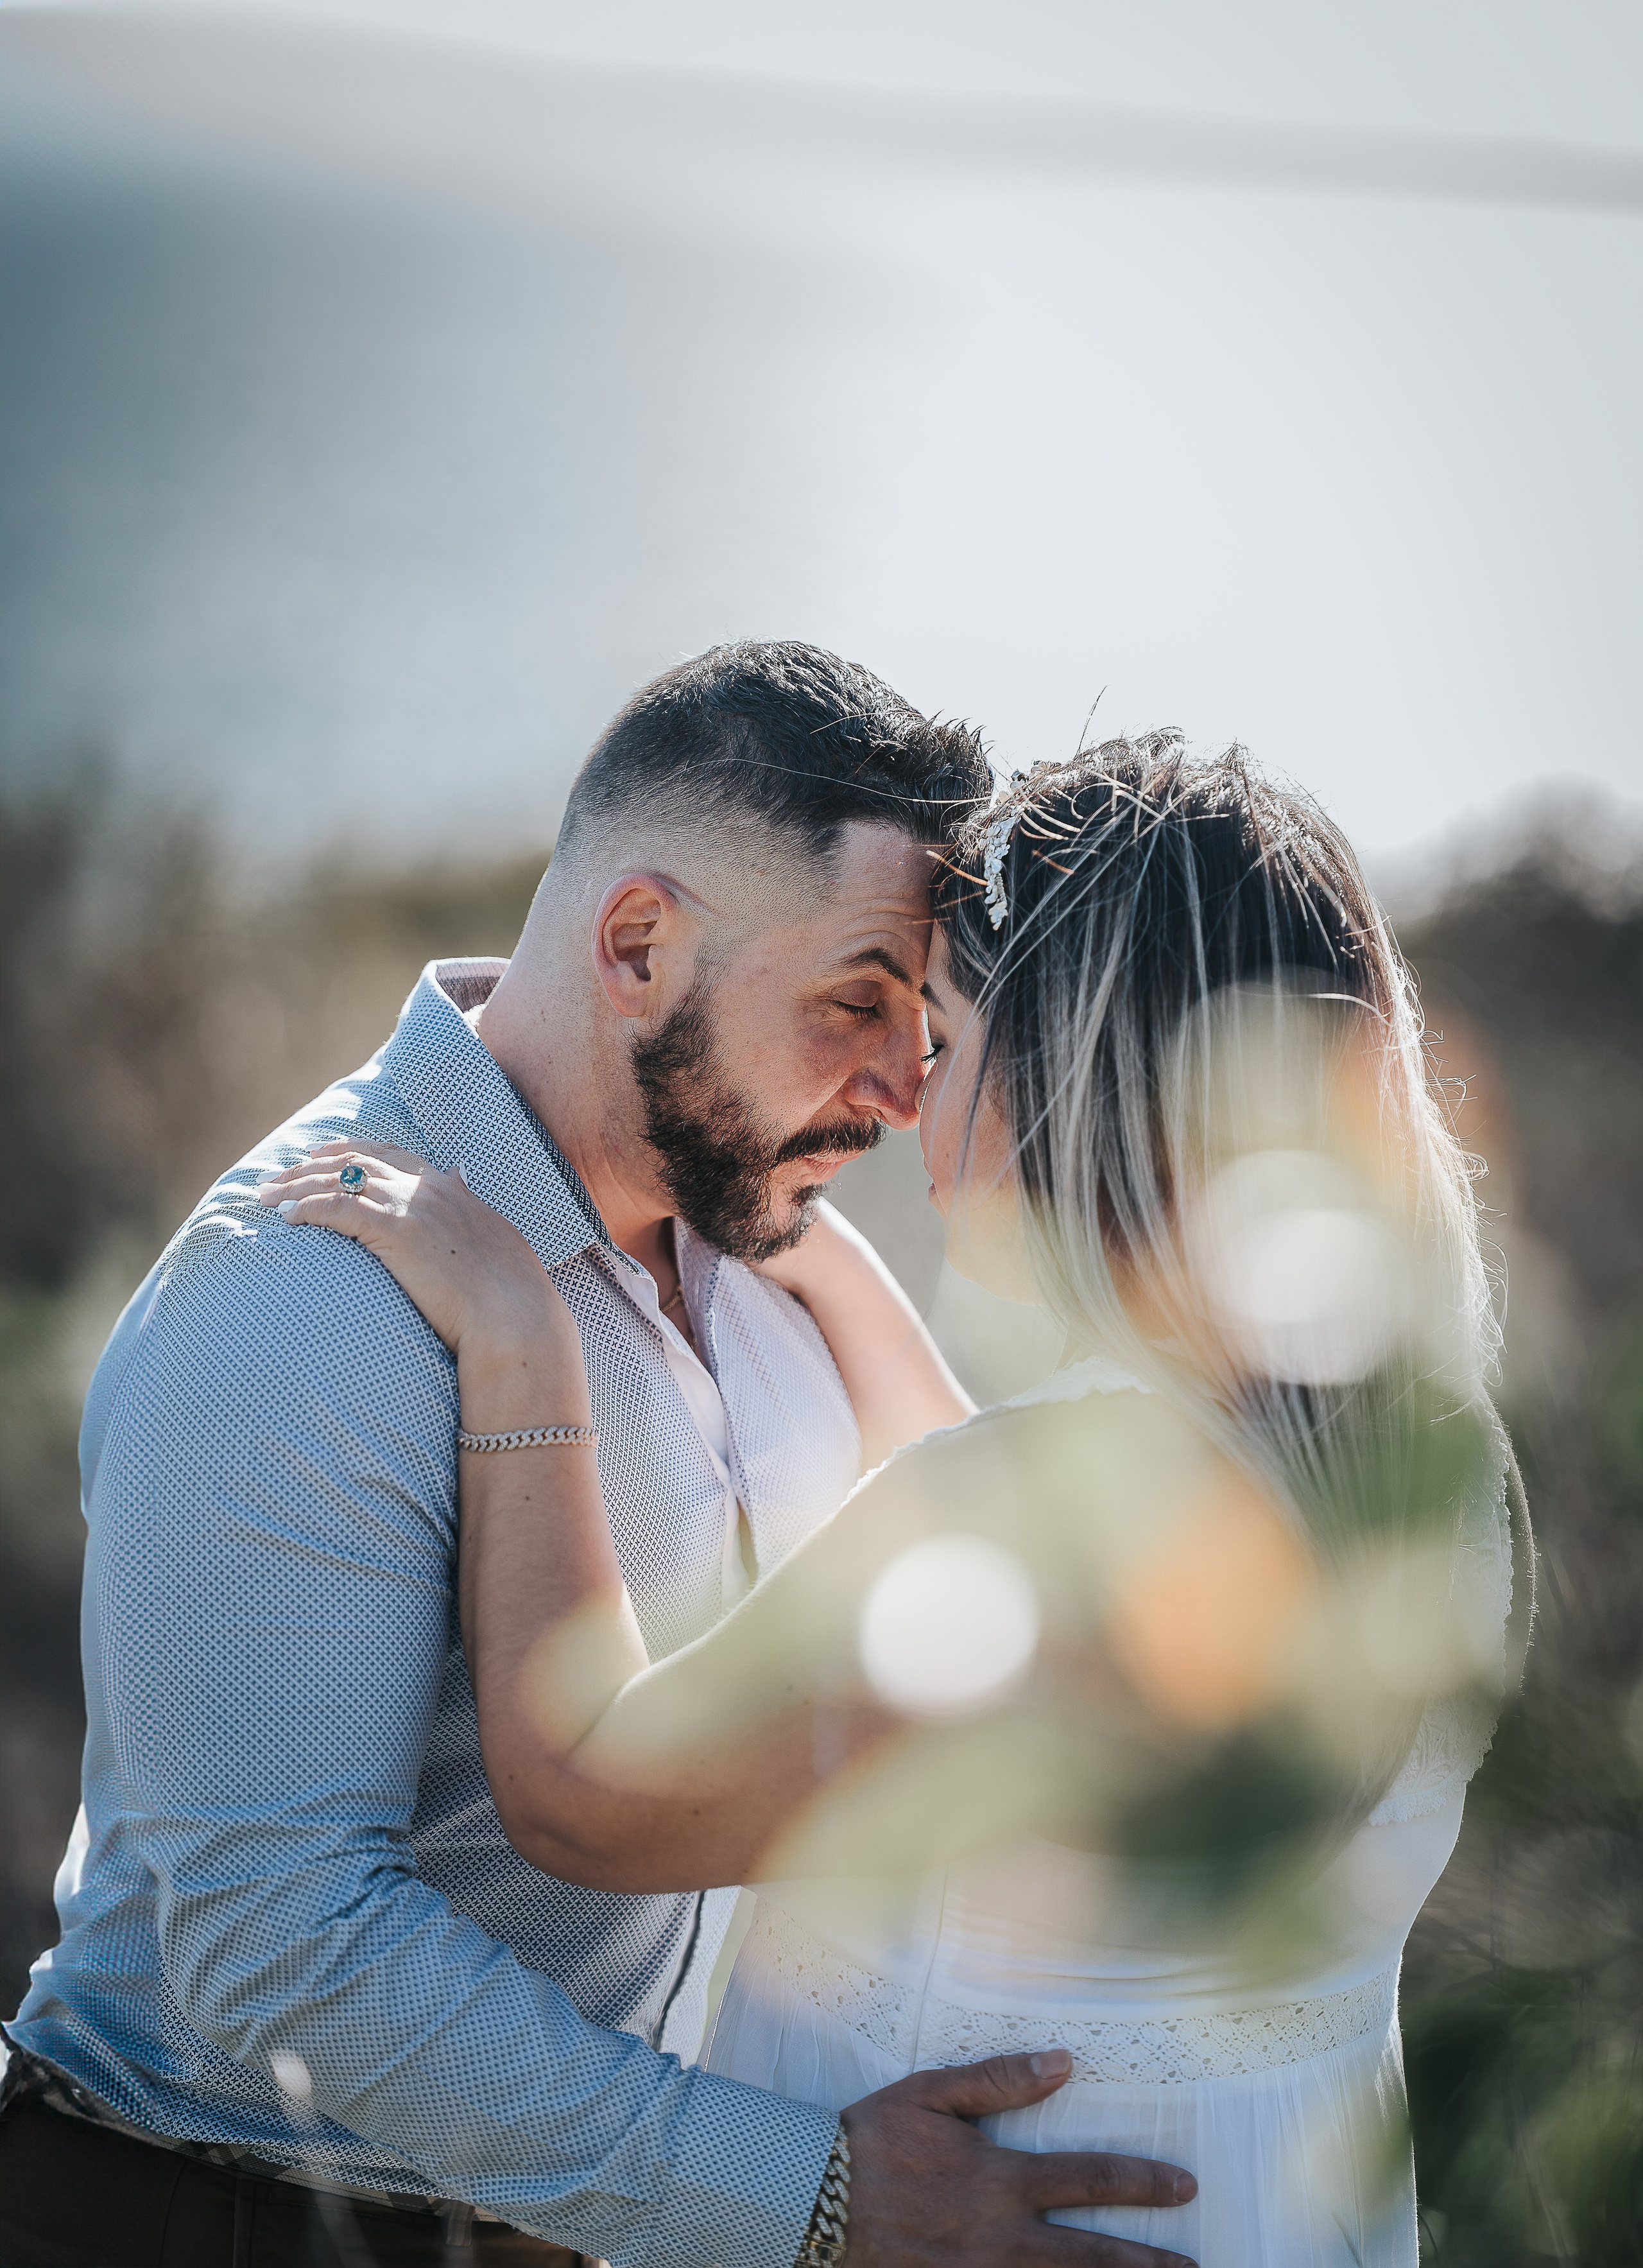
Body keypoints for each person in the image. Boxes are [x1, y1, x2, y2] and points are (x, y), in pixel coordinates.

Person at [0, 644, 1198, 2268]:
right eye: (857, 1002)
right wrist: (808, 2193)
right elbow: (281, 1947)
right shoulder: (296, 1300)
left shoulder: (757, 1249)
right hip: (214, 2222)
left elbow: (952, 1549)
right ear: (636, 944)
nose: (908, 1093)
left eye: (927, 1022)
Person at [272, 734, 1535, 2266]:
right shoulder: (1424, 1465)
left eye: (941, 1037)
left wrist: (526, 1346)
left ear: (1067, 1069)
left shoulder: (1009, 1516)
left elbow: (582, 1790)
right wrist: (772, 1219)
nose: (900, 1105)